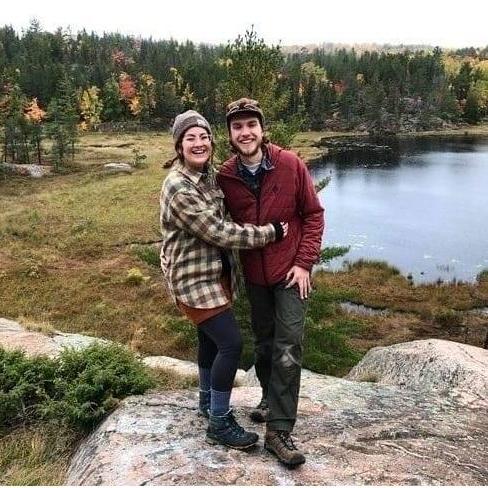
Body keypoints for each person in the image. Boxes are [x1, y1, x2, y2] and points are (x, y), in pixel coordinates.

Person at [159, 109, 288, 450]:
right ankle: (218, 421)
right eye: (190, 138)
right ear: (179, 145)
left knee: (211, 342)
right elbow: (217, 231)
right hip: (192, 281)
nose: (199, 143)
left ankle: (206, 401)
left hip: (214, 278)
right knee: (231, 344)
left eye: (203, 136)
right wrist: (270, 233)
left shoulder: (209, 176)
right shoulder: (178, 186)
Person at [217, 98, 325, 466]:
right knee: (264, 345)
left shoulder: (290, 164)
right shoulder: (226, 177)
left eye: (251, 125)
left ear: (262, 130)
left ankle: (279, 431)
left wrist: (305, 263)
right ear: (230, 134)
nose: (245, 132)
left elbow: (313, 214)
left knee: (288, 345)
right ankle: (268, 396)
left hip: (290, 274)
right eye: (237, 127)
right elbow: (217, 227)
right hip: (255, 278)